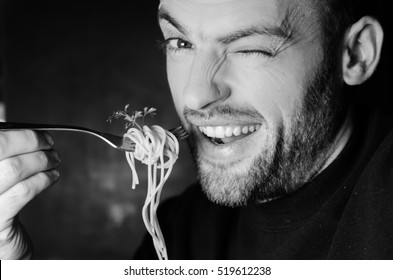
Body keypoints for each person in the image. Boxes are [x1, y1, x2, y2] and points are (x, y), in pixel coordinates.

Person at [0, 0, 390, 259]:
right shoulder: (178, 230)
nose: (195, 96)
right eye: (180, 42)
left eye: (248, 48)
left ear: (355, 54)